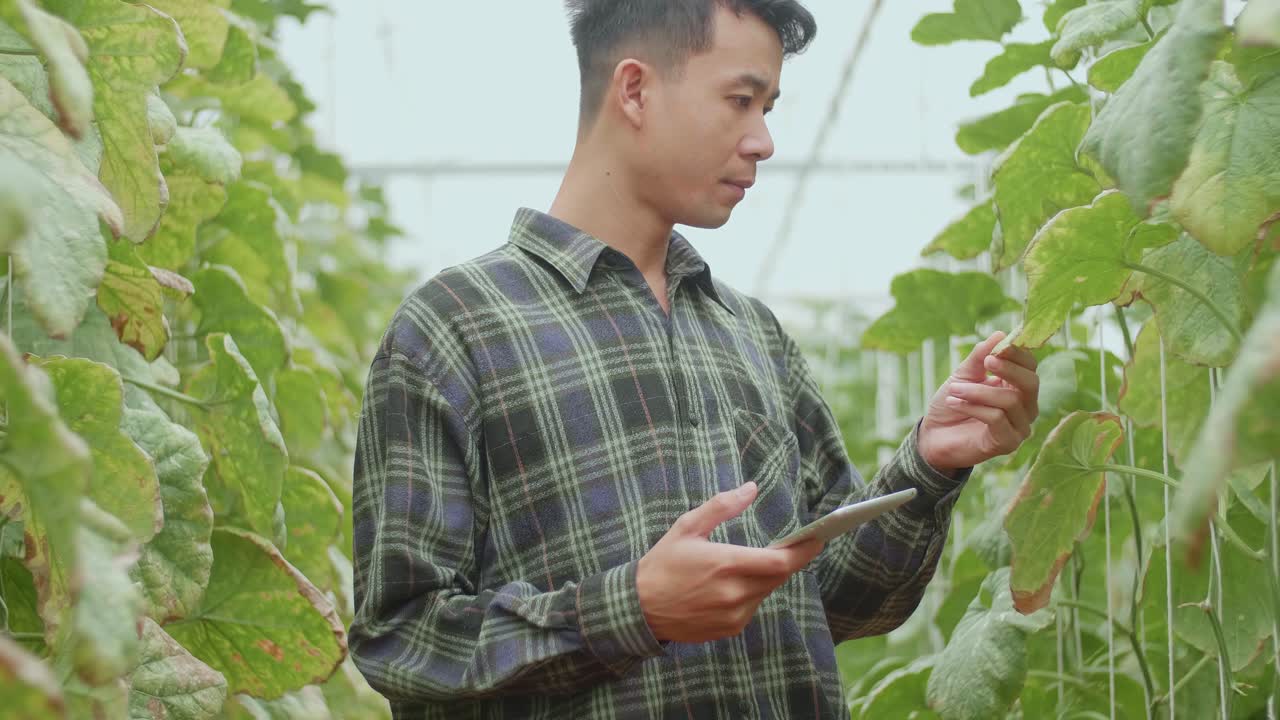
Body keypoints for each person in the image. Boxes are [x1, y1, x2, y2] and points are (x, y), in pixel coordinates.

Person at [348, 1, 1041, 717]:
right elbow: (400, 639)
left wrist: (931, 461)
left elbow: (837, 601)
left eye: (769, 107)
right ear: (635, 90)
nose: (764, 140)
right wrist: (631, 610)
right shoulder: (456, 327)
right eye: (741, 101)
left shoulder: (752, 333)